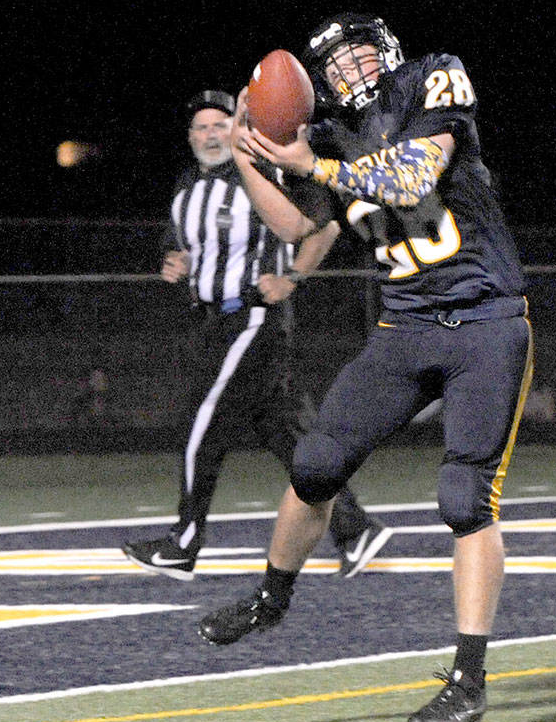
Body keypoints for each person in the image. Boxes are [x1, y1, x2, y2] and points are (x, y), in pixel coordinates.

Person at [194, 15, 532, 722]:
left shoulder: (432, 77)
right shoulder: (326, 137)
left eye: (358, 53)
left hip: (484, 320)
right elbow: (295, 228)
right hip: (404, 326)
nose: (349, 69)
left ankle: (468, 679)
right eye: (335, 63)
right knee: (314, 464)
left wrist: (312, 164)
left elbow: (412, 177)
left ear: (387, 50)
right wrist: (251, 154)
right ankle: (271, 599)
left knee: (464, 497)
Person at [122, 90, 391, 582]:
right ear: (190, 136)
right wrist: (174, 260)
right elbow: (181, 240)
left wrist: (292, 278)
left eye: (220, 125)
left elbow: (325, 228)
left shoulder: (263, 173)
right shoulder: (188, 182)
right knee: (286, 435)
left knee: (203, 420)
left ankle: (183, 542)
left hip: (252, 318)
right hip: (211, 322)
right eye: (201, 127)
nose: (210, 134)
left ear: (238, 129)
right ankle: (355, 528)